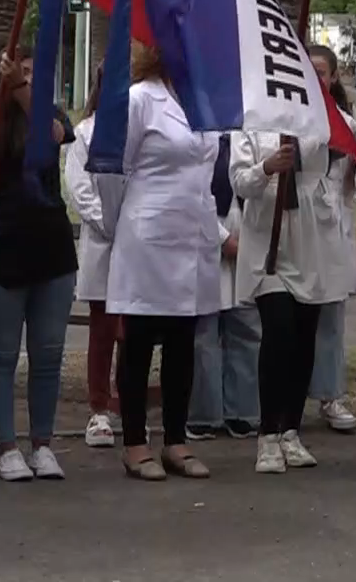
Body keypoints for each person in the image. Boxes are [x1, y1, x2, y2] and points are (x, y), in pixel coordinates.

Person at [0, 47, 76, 481]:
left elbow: (56, 133)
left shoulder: (47, 114)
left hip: (52, 249)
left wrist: (23, 90)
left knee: (48, 353)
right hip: (0, 249)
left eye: (28, 72)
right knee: (1, 354)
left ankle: (42, 443)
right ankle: (5, 445)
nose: (21, 78)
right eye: (14, 72)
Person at [231, 47, 356, 473]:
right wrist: (267, 166)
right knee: (279, 333)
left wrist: (317, 111)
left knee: (305, 339)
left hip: (311, 242)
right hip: (269, 243)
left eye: (319, 74)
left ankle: (291, 429)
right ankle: (267, 433)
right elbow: (241, 182)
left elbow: (348, 139)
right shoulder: (252, 121)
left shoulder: (326, 119)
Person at [105, 44, 226, 481]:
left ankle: (176, 440)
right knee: (138, 340)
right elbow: (113, 170)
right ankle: (135, 444)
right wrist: (120, 223)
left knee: (182, 341)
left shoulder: (205, 101)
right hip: (147, 234)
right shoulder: (140, 98)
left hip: (193, 235)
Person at [66, 67, 127, 447]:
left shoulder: (142, 130)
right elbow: (80, 190)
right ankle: (99, 408)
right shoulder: (86, 133)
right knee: (103, 330)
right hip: (106, 243)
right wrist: (114, 227)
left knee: (133, 331)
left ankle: (126, 403)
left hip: (141, 244)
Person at [304, 46, 356, 437]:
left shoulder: (346, 124)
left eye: (322, 71)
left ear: (334, 77)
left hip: (333, 226)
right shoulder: (286, 117)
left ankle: (330, 395)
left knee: (331, 321)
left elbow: (349, 182)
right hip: (299, 227)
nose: (315, 77)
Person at [189, 160, 261, 441]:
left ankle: (242, 411)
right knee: (204, 332)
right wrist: (221, 239)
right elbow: (191, 191)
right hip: (206, 234)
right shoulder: (198, 134)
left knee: (246, 327)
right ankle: (203, 413)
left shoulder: (250, 132)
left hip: (248, 228)